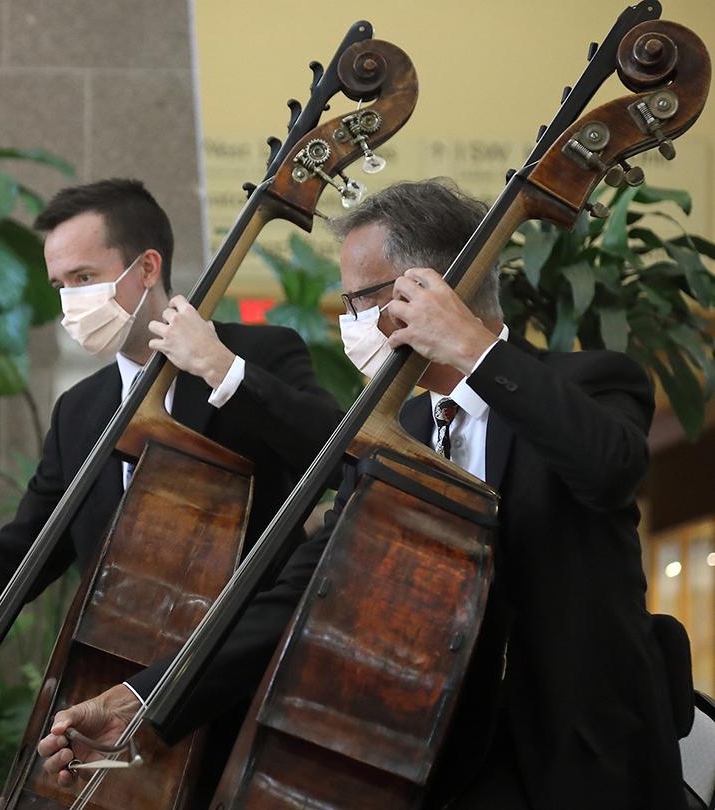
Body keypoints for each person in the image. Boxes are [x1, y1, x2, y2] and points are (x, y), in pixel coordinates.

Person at [38, 179, 687, 810]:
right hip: (440, 769)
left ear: (432, 291)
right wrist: (142, 700)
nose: (350, 322)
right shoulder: (392, 430)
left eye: (359, 300)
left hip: (587, 766)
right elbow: (299, 593)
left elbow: (611, 468)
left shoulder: (592, 382)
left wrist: (470, 345)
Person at [0, 178, 339, 799]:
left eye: (85, 277)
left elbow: (335, 456)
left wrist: (220, 369)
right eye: (60, 285)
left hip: (242, 695)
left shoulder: (256, 354)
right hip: (116, 707)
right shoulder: (80, 410)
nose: (71, 300)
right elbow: (26, 544)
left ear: (146, 268)